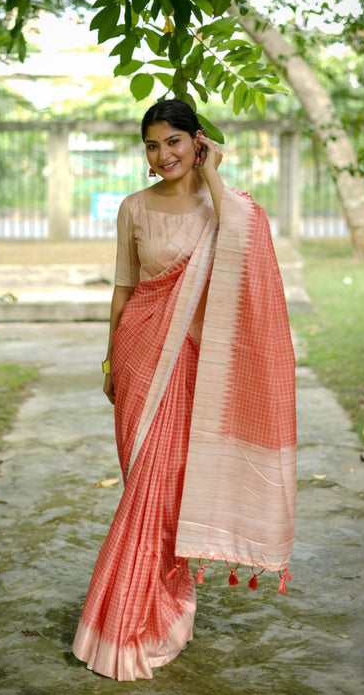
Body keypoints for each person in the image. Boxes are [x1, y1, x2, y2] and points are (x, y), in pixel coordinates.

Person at [72, 99, 296, 681]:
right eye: (151, 145)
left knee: (168, 491)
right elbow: (124, 288)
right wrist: (110, 361)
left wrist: (213, 173)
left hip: (196, 363)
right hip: (141, 354)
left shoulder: (223, 208)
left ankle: (151, 614)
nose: (162, 154)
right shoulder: (133, 209)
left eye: (173, 141)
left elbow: (250, 246)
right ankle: (139, 610)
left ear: (197, 141)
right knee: (141, 482)